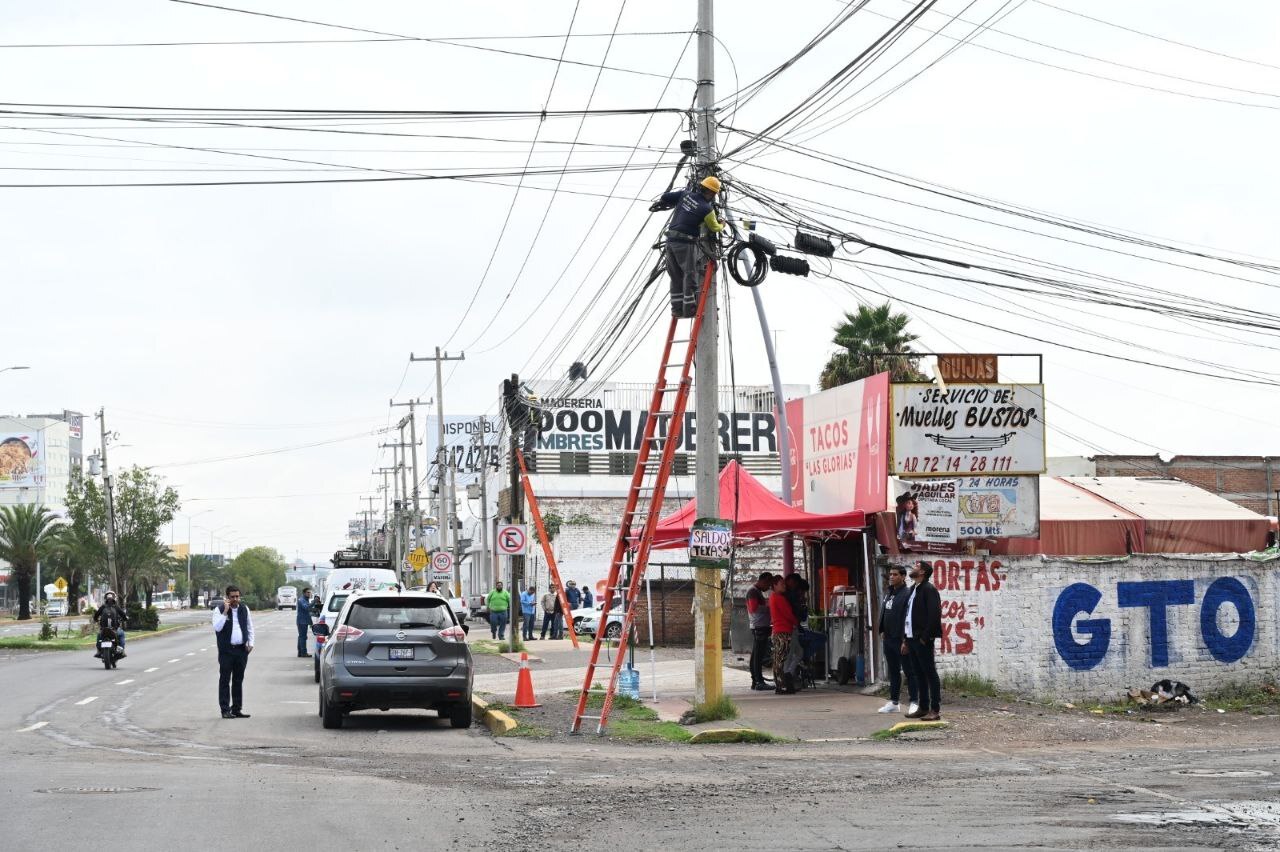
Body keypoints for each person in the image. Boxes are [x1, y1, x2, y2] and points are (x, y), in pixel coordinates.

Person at [655, 175, 725, 318]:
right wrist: (722, 224)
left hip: (670, 242)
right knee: (689, 275)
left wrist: (681, 198)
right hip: (685, 243)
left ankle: (676, 310)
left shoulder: (685, 195)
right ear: (711, 193)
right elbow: (714, 227)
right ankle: (689, 309)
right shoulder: (707, 209)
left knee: (675, 277)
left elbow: (666, 197)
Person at [902, 562, 943, 720]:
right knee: (918, 674)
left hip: (922, 640)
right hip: (911, 638)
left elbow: (934, 615)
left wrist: (925, 638)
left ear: (923, 572)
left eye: (917, 566)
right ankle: (923, 707)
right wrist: (905, 639)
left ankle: (935, 709)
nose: (913, 567)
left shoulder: (929, 589)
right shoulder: (913, 589)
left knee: (930, 673)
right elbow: (908, 616)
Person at [876, 566, 918, 715]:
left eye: (895, 574)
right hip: (889, 639)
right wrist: (882, 630)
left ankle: (914, 702)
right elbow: (885, 612)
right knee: (893, 672)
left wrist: (906, 641)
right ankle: (894, 702)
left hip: (901, 640)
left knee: (909, 672)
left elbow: (909, 618)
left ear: (903, 576)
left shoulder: (907, 594)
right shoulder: (890, 592)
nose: (891, 577)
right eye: (890, 574)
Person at [212, 585, 254, 719]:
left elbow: (250, 627)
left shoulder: (244, 609)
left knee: (238, 680)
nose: (235, 599)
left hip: (241, 650)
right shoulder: (219, 610)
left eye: (237, 596)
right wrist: (225, 611)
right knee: (225, 680)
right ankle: (225, 710)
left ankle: (236, 709)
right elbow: (217, 628)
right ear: (227, 598)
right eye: (232, 597)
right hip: (226, 651)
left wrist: (250, 643)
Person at [768, 574, 798, 694]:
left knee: (777, 659)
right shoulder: (779, 598)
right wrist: (796, 622)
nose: (784, 586)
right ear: (774, 585)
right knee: (781, 660)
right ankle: (782, 685)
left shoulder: (772, 597)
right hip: (783, 631)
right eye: (781, 584)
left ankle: (780, 685)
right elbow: (788, 614)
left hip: (777, 631)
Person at [745, 571, 773, 691]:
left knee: (757, 654)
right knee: (758, 655)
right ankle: (758, 681)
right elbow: (753, 608)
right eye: (769, 584)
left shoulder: (756, 591)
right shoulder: (752, 591)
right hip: (759, 626)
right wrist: (769, 606)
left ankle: (756, 681)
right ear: (763, 581)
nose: (769, 587)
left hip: (761, 625)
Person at [94, 590, 127, 659]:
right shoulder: (116, 607)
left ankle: (98, 651)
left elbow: (96, 616)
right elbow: (124, 616)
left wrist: (96, 620)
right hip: (115, 629)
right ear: (114, 598)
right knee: (121, 634)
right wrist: (124, 619)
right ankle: (122, 650)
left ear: (105, 598)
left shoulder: (103, 607)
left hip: (104, 629)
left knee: (99, 635)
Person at [295, 586, 313, 658]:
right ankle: (303, 653)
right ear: (304, 593)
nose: (309, 594)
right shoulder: (302, 600)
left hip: (303, 621)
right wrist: (314, 602)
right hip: (302, 621)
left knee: (301, 637)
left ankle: (300, 652)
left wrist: (310, 621)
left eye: (310, 593)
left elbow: (308, 612)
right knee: (303, 637)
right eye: (308, 593)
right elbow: (307, 608)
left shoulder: (305, 600)